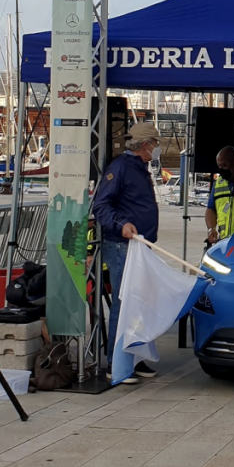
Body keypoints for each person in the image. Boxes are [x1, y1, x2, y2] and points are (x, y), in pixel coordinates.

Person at [92, 122, 161, 384]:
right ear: (146, 145)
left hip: (141, 246)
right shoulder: (120, 167)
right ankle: (116, 363)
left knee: (139, 304)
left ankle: (134, 356)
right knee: (124, 303)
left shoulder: (141, 168)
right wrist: (121, 224)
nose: (157, 148)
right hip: (123, 246)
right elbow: (101, 206)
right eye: (155, 143)